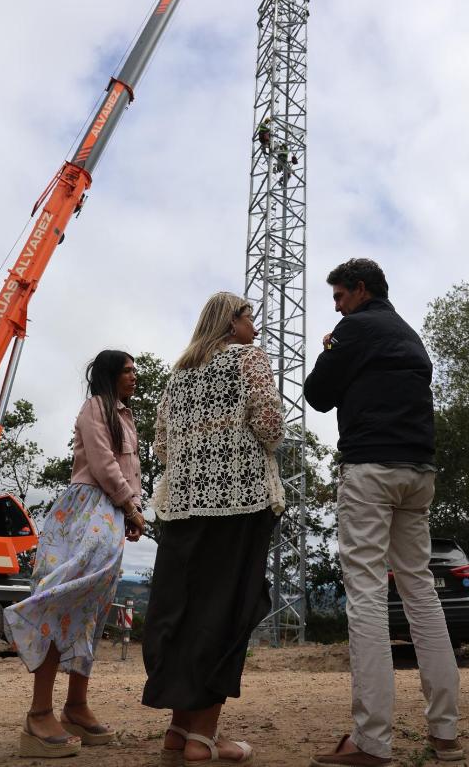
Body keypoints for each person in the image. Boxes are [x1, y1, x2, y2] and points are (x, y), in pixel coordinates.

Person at [304, 259, 462, 766]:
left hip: (370, 469)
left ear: (360, 289)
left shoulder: (353, 330)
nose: (336, 306)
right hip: (419, 473)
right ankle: (445, 734)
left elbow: (317, 395)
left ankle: (371, 741)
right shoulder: (410, 336)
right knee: (421, 593)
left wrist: (330, 348)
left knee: (367, 596)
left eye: (339, 296)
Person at [142, 291, 285, 766]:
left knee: (184, 613)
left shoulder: (178, 374)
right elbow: (271, 427)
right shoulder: (249, 360)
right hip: (239, 505)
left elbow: (162, 446)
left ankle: (179, 729)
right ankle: (203, 739)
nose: (254, 329)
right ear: (230, 323)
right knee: (225, 611)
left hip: (183, 508)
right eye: (249, 318)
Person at [4, 349, 145, 759]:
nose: (134, 376)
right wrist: (130, 507)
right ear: (109, 375)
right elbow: (103, 464)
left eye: (135, 370)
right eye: (127, 370)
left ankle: (76, 706)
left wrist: (131, 510)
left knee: (93, 607)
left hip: (110, 512)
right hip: (85, 509)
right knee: (62, 597)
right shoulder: (95, 408)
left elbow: (130, 472)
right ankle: (38, 713)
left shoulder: (126, 416)